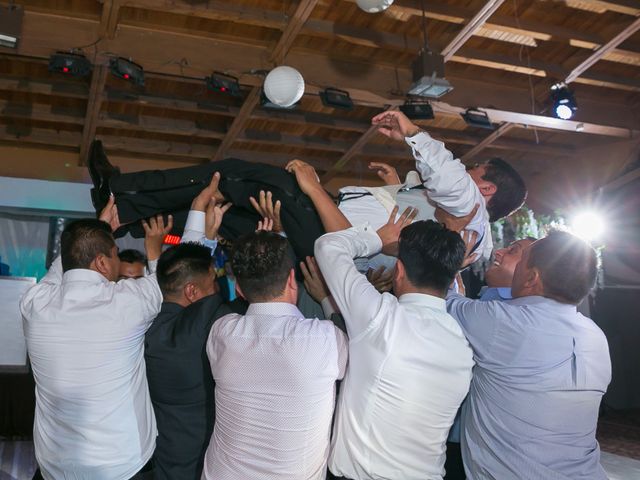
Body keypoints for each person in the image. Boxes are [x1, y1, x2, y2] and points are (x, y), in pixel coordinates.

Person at [88, 111, 526, 264]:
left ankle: (121, 190)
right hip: (324, 244)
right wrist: (398, 186)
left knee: (237, 173)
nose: (465, 171)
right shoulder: (470, 242)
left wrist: (412, 131)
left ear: (486, 190)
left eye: (474, 170)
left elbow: (445, 174)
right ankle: (127, 216)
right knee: (230, 218)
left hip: (324, 227)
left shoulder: (470, 207)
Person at [314, 205, 474, 479]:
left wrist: (377, 237)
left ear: (398, 270)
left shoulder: (380, 317)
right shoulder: (463, 345)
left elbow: (328, 246)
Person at [20, 197, 171, 480]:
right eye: (114, 254)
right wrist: (154, 248)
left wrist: (98, 230)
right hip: (122, 466)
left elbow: (60, 270)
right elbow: (162, 282)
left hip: (54, 468)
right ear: (102, 262)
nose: (117, 260)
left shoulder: (35, 304)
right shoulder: (128, 303)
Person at [446, 231, 611, 479]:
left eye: (521, 261)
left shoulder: (507, 322)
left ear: (532, 278)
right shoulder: (596, 336)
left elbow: (442, 301)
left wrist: (452, 264)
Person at [201, 230, 348, 480]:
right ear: (292, 279)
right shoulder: (325, 339)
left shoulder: (222, 332)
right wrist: (325, 298)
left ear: (239, 289)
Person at [144, 180, 238, 480]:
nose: (216, 292)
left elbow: (183, 267)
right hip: (200, 463)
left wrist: (200, 218)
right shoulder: (205, 322)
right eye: (212, 286)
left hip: (160, 458)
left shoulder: (142, 321)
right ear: (193, 292)